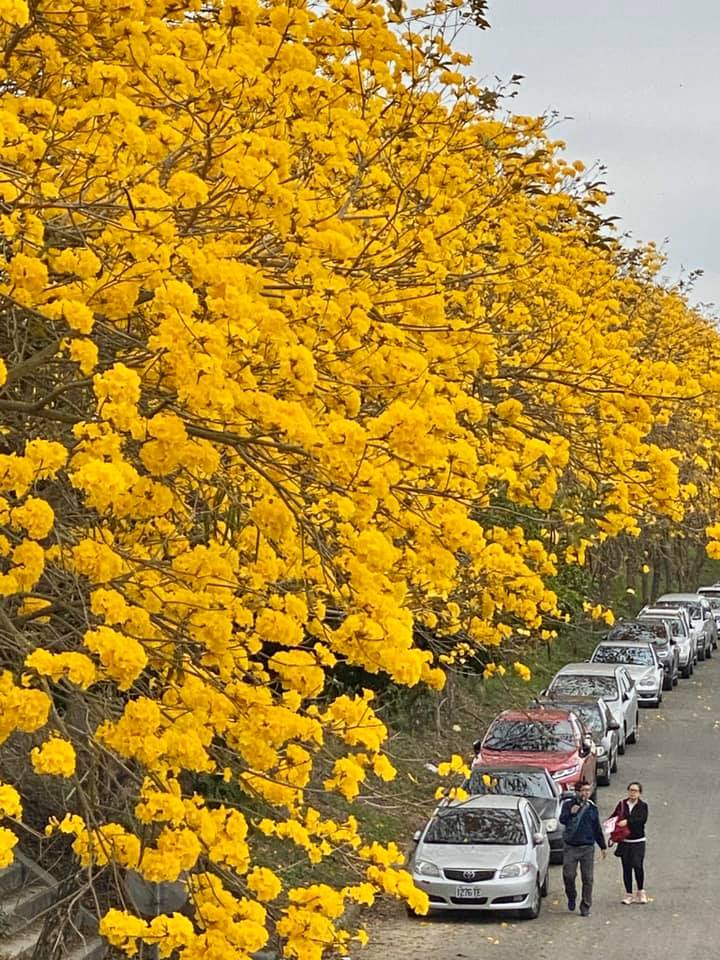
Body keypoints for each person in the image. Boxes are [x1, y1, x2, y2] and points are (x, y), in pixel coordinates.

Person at [560, 779, 607, 916]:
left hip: (587, 847)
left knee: (588, 878)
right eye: (583, 791)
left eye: (588, 790)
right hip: (571, 846)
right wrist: (571, 813)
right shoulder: (568, 805)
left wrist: (602, 846)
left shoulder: (592, 808)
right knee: (568, 875)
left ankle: (585, 905)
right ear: (577, 792)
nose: (586, 793)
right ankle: (571, 895)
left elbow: (596, 828)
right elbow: (562, 820)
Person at [611, 781, 649, 904]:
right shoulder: (622, 804)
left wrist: (627, 822)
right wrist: (611, 832)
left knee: (638, 865)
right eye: (631, 790)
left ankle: (641, 891)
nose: (632, 793)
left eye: (635, 791)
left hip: (638, 840)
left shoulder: (643, 806)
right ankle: (628, 894)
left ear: (639, 793)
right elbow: (614, 818)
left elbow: (641, 820)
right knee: (626, 867)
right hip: (624, 841)